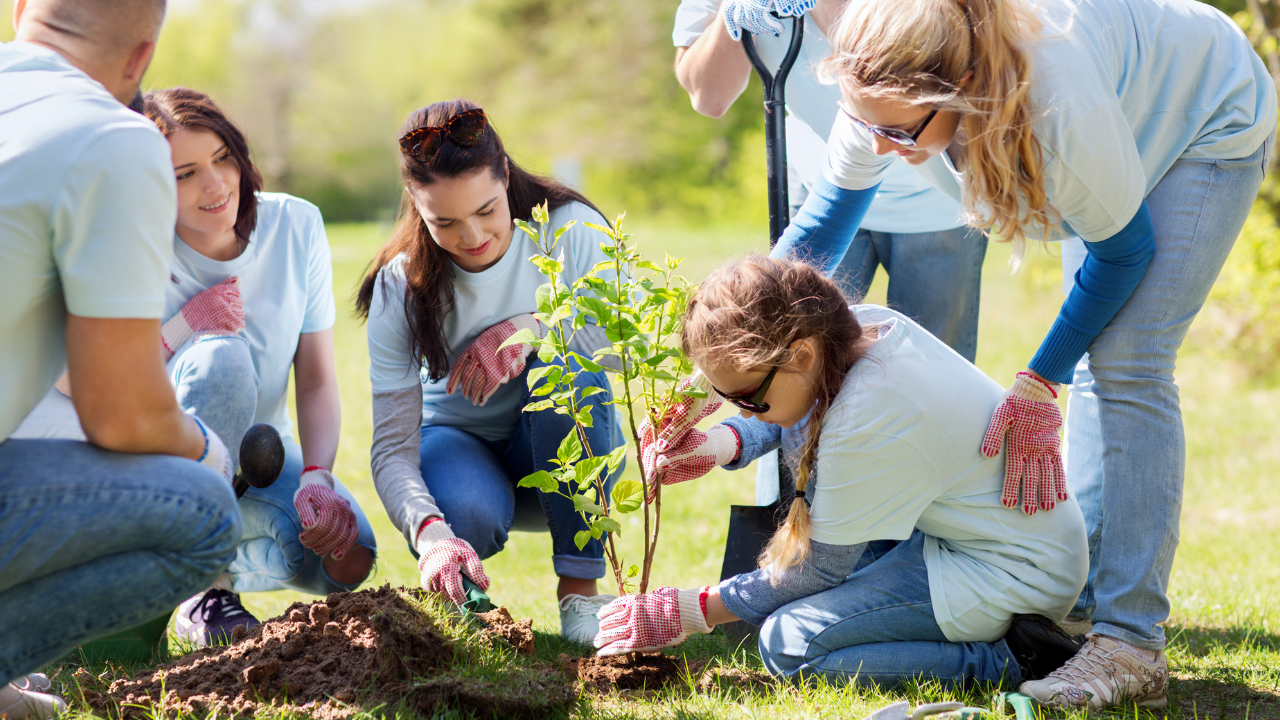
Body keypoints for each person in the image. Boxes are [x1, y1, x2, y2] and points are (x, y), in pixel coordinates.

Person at [743, 0, 1276, 709]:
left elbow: (1125, 253)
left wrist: (1037, 382)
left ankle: (1129, 642)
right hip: (1114, 129)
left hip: (1201, 117)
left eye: (899, 129)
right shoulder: (879, 91)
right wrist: (733, 345)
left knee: (1124, 364)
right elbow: (822, 226)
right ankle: (1074, 610)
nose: (881, 144)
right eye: (865, 121)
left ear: (959, 86)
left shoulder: (1057, 110)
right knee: (1099, 358)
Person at [596, 256, 1087, 689]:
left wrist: (689, 610)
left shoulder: (867, 416)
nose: (742, 411)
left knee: (788, 643)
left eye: (747, 398)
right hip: (994, 543)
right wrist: (720, 443)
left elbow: (819, 568)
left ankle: (1012, 659)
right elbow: (800, 406)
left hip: (1014, 573)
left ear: (801, 354)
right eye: (729, 400)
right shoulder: (861, 330)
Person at [13, 87, 379, 646]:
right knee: (221, 359)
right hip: (162, 468)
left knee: (349, 558)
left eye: (222, 158)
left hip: (254, 463)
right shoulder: (129, 246)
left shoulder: (296, 225)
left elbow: (319, 377)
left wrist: (317, 477)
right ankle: (206, 588)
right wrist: (186, 325)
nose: (215, 185)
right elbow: (72, 375)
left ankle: (190, 578)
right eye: (184, 173)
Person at [0, 1, 242, 716]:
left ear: (19, 11)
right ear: (140, 61)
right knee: (203, 512)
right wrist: (209, 450)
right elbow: (121, 412)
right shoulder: (111, 139)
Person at [673, 0, 987, 508]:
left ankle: (911, 535)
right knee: (793, 361)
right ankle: (804, 527)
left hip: (937, 195)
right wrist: (730, 21)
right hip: (831, 180)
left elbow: (885, 61)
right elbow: (707, 95)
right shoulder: (856, 141)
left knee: (929, 382)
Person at [356, 99, 627, 643]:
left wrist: (531, 327)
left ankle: (579, 598)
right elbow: (391, 449)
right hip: (461, 450)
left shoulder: (569, 229)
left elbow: (628, 345)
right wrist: (430, 532)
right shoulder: (400, 285)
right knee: (463, 513)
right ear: (415, 202)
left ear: (505, 174)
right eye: (445, 222)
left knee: (566, 368)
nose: (473, 238)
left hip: (568, 452)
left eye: (486, 210)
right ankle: (465, 597)